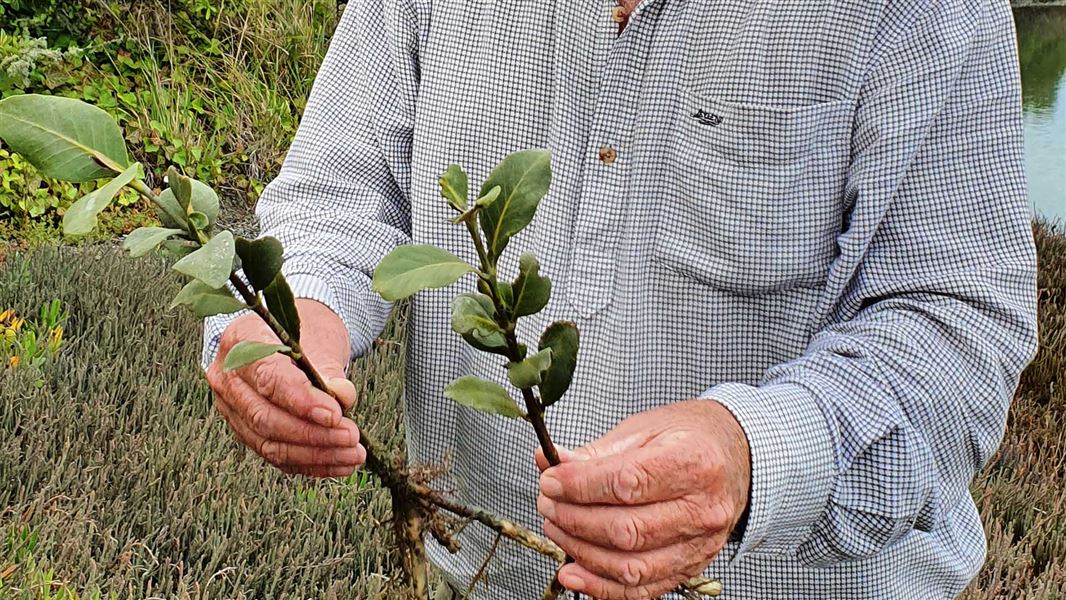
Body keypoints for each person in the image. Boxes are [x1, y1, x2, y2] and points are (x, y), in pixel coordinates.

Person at [202, 0, 1039, 598]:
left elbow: (957, 325)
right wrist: (296, 312)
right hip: (483, 567)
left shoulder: (930, 12)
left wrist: (754, 458)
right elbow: (341, 192)